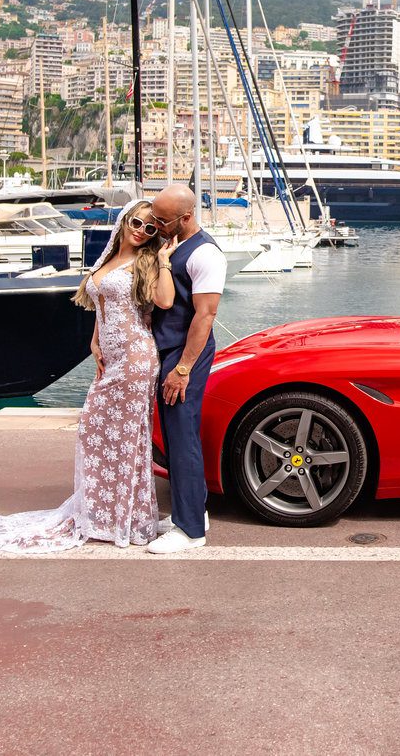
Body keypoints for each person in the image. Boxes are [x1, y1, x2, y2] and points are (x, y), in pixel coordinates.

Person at [0, 199, 173, 553]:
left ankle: (125, 515)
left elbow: (166, 301)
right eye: (137, 224)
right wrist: (94, 341)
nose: (141, 232)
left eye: (150, 229)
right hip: (111, 358)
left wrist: (164, 260)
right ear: (125, 222)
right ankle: (101, 511)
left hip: (136, 358)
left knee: (127, 439)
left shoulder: (148, 261)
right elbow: (102, 305)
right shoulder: (109, 258)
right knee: (94, 432)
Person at [144, 183, 226, 554]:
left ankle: (190, 530)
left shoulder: (205, 253)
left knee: (183, 439)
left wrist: (183, 369)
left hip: (184, 355)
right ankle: (192, 511)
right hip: (170, 352)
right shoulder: (172, 245)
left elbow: (205, 316)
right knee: (176, 437)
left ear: (186, 216)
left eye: (163, 220)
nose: (157, 225)